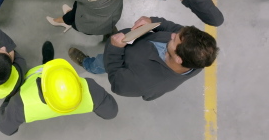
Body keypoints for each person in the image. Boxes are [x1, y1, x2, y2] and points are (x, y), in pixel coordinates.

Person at [68, 16, 219, 101]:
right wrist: (153, 22)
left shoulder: (147, 83)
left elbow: (117, 82)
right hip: (131, 42)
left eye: (174, 40)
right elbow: (173, 28)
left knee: (101, 62)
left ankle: (89, 65)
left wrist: (115, 49)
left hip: (118, 58)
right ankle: (114, 37)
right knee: (115, 38)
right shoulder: (194, 55)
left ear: (179, 59)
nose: (172, 35)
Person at [0, 41, 118, 136]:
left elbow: (5, 127)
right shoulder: (90, 88)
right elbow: (111, 112)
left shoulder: (20, 104)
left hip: (30, 79)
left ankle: (47, 63)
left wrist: (11, 95)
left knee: (41, 70)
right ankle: (47, 62)